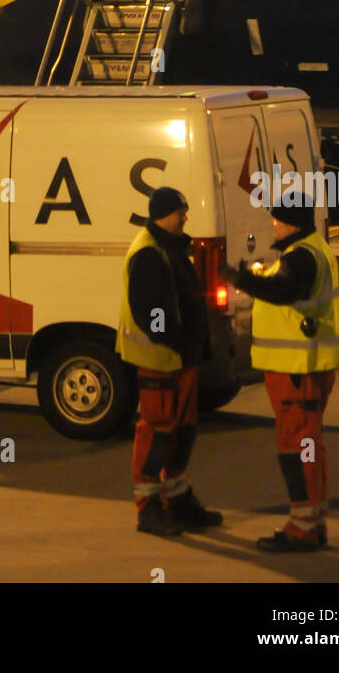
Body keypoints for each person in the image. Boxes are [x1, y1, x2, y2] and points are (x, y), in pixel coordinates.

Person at [222, 194, 339, 552]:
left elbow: (283, 290)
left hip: (298, 369)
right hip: (304, 367)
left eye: (277, 220)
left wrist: (240, 279)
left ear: (292, 222)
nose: (273, 226)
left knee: (301, 446)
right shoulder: (312, 249)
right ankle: (310, 521)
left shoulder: (302, 257)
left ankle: (304, 528)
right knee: (307, 444)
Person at [117, 186, 223, 537]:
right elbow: (153, 314)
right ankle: (149, 510)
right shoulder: (149, 253)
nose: (186, 217)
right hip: (162, 360)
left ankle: (177, 501)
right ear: (165, 213)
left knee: (181, 432)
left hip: (181, 358)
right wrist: (175, 340)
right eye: (181, 211)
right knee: (157, 434)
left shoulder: (168, 247)